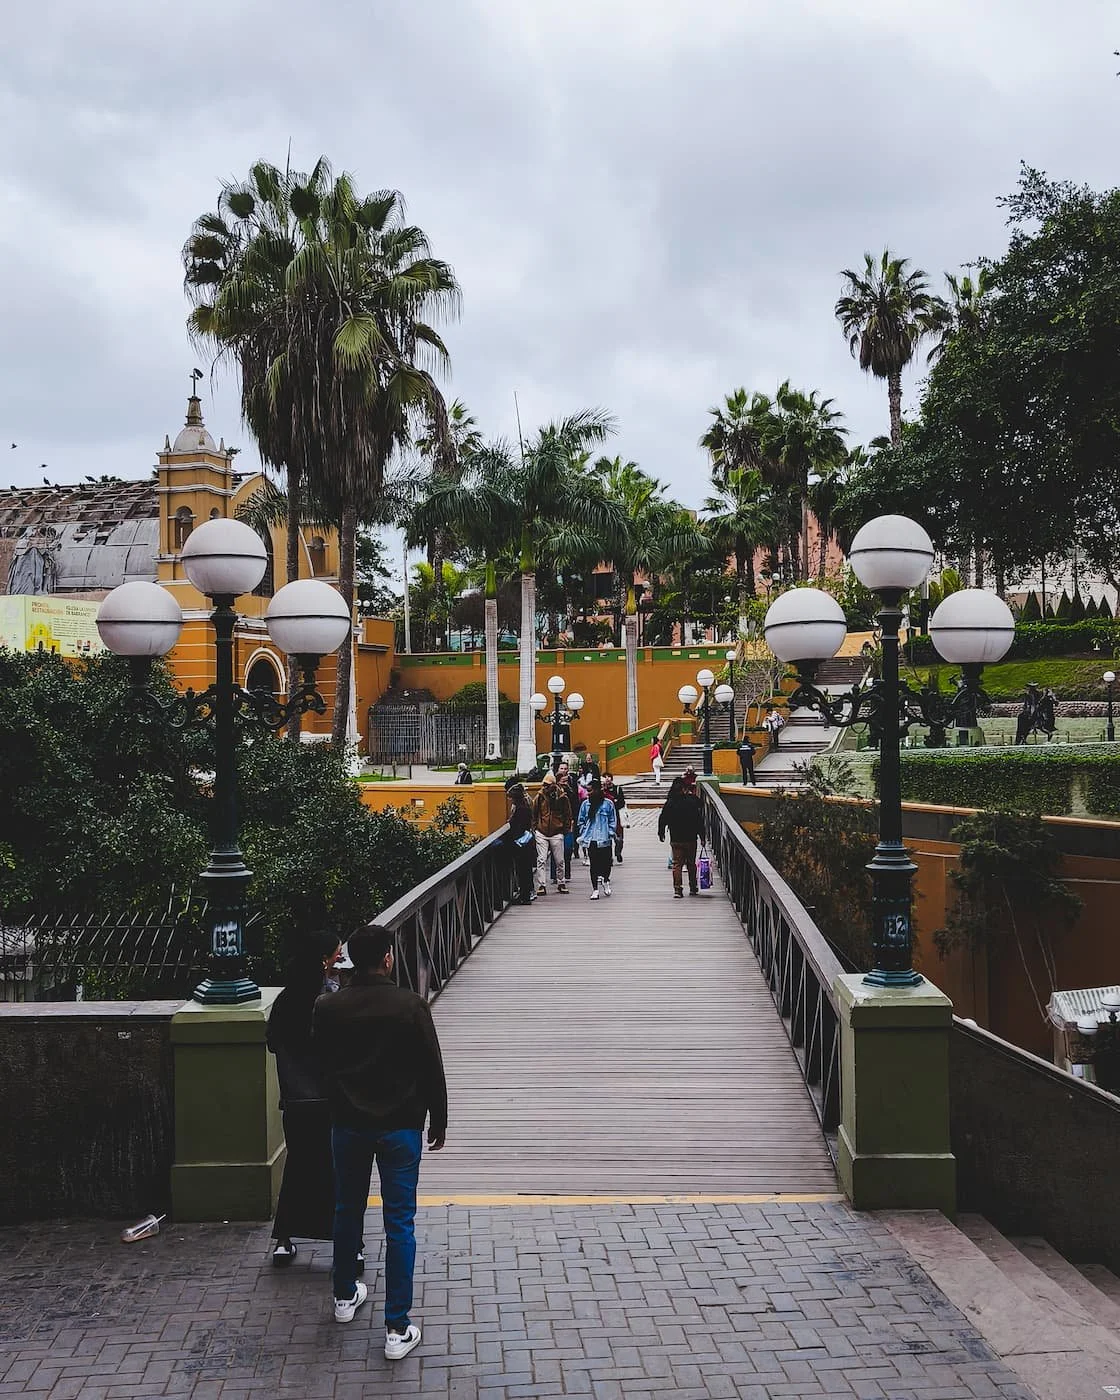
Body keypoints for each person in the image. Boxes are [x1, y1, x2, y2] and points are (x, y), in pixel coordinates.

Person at [312, 924, 447, 1356]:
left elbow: (321, 1066)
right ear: (388, 958)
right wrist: (438, 1120)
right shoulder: (410, 1006)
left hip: (348, 1123)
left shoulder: (328, 1006)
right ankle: (396, 1326)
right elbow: (431, 1066)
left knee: (346, 1209)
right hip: (400, 1124)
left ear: (350, 958)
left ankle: (344, 1295)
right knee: (399, 1222)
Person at [267, 930, 346, 1268]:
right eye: (336, 955)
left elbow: (272, 1042)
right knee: (337, 1170)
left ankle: (285, 1239)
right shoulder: (328, 999)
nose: (340, 960)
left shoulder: (285, 1000)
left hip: (296, 1099)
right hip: (330, 1098)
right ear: (324, 960)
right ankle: (347, 1243)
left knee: (298, 1165)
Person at [658, 768, 703, 898]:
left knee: (677, 864)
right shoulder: (691, 801)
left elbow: (663, 818)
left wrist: (661, 832)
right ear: (684, 789)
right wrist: (702, 835)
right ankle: (693, 887)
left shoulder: (670, 803)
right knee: (691, 863)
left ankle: (678, 890)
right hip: (690, 838)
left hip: (676, 838)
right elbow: (698, 819)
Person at [577, 776, 617, 900]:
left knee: (606, 863)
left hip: (604, 838)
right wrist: (584, 831)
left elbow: (612, 820)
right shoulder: (585, 804)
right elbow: (581, 820)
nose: (588, 793)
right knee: (593, 865)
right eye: (587, 790)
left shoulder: (608, 804)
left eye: (590, 790)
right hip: (591, 839)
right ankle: (595, 889)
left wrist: (610, 832)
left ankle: (605, 880)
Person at [532, 770, 572, 895]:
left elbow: (567, 814)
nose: (545, 787)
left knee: (560, 860)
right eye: (544, 784)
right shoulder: (539, 796)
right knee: (541, 860)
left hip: (557, 831)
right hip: (542, 831)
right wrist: (535, 828)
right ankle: (541, 885)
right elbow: (534, 813)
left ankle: (561, 882)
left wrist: (565, 829)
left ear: (554, 785)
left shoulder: (562, 797)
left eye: (548, 785)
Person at [505, 782, 537, 904]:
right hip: (527, 843)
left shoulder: (520, 810)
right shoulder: (526, 808)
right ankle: (526, 895)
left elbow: (517, 828)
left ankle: (524, 896)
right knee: (526, 870)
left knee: (522, 870)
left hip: (521, 845)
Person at [555, 761, 581, 882]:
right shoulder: (552, 791)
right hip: (555, 823)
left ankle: (567, 873)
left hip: (568, 821)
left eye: (565, 768)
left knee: (568, 848)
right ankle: (555, 876)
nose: (564, 770)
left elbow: (575, 803)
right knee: (555, 848)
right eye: (561, 768)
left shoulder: (572, 786)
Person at [602, 774, 628, 863]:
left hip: (617, 816)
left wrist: (613, 805)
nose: (607, 779)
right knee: (607, 839)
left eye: (608, 777)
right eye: (605, 777)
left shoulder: (617, 789)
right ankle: (609, 858)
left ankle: (618, 852)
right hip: (606, 817)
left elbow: (622, 802)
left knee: (619, 838)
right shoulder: (601, 791)